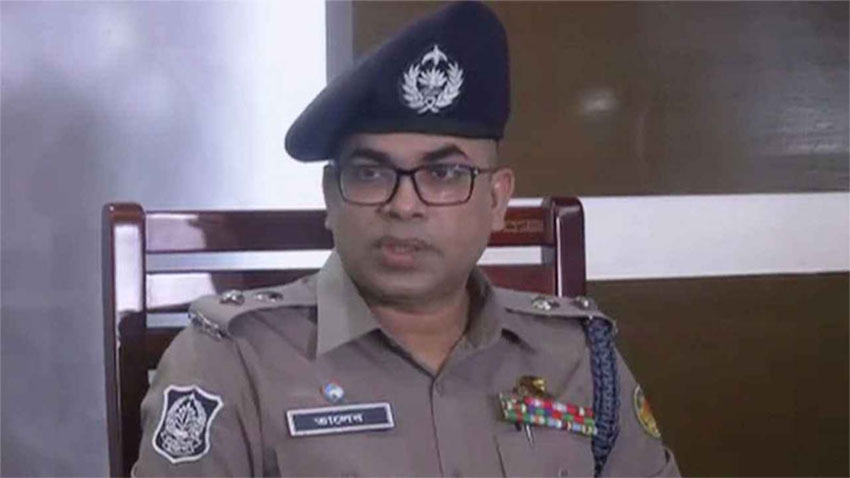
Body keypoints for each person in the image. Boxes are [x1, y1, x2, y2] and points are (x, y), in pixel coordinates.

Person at [133, 2, 679, 476]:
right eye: (371, 173)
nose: (403, 204)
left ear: (497, 200)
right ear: (330, 197)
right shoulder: (232, 361)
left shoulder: (576, 357)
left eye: (443, 174)